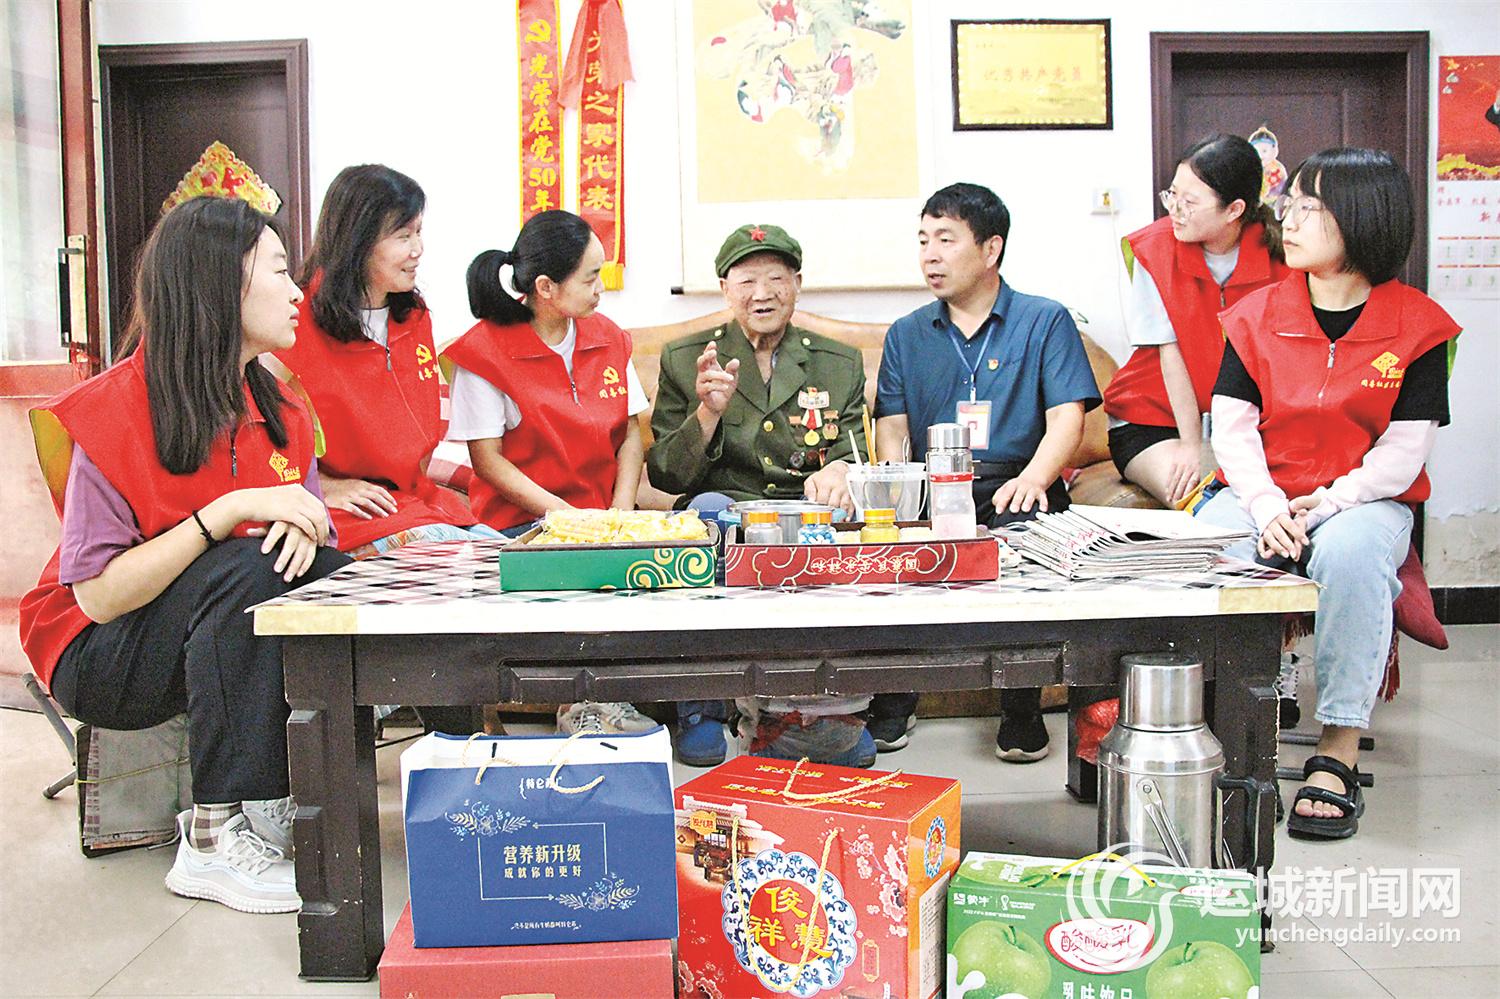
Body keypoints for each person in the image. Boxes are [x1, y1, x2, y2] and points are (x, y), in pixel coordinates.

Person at [19, 196, 350, 913]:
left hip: (209, 630)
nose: (298, 292)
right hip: (101, 653)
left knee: (321, 573)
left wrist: (308, 526)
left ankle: (279, 801)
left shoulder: (284, 409)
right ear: (220, 285)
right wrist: (226, 513)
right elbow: (97, 596)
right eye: (280, 271)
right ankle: (212, 834)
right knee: (248, 567)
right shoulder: (117, 407)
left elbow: (311, 519)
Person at [1197, 148, 1459, 840]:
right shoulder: (1254, 315)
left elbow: (1404, 452)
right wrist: (1266, 507)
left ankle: (1337, 748)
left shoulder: (1420, 326)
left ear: (1364, 217)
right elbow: (1233, 430)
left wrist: (1330, 502)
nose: (1288, 219)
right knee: (1210, 552)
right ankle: (1216, 727)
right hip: (1261, 491)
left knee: (1348, 552)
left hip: (1365, 500)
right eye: (1291, 203)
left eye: (1311, 207)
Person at [872, 183, 1100, 761]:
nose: (930, 255)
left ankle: (1020, 706)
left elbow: (1067, 417)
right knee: (892, 546)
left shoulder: (1043, 320)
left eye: (946, 240)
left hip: (1017, 481)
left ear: (991, 248)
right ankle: (895, 696)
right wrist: (897, 492)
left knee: (1023, 543)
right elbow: (892, 427)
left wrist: (1036, 478)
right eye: (923, 240)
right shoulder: (905, 333)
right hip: (932, 483)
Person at [648, 223, 869, 767]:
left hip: (806, 516)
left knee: (848, 527)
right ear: (726, 289)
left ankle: (823, 713)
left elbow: (856, 451)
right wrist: (707, 413)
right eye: (747, 281)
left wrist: (842, 469)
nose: (762, 293)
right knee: (704, 519)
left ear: (797, 284)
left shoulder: (838, 362)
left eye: (776, 278)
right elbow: (667, 474)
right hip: (722, 511)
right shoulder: (685, 358)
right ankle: (700, 707)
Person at [443, 209, 652, 738]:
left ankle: (623, 701)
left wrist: (620, 511)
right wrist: (569, 519)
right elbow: (487, 461)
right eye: (590, 278)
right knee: (578, 573)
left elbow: (630, 433)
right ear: (545, 287)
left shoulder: (608, 337)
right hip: (523, 524)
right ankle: (584, 706)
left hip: (604, 517)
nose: (601, 290)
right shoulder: (484, 352)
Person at [275, 164, 492, 558]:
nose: (418, 249)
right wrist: (325, 486)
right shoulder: (295, 321)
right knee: (479, 565)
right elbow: (259, 439)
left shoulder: (414, 316)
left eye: (419, 232)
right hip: (354, 515)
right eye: (403, 236)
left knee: (515, 558)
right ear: (357, 241)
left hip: (418, 503)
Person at [1103, 134, 1292, 507]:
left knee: (1272, 500)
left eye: (1189, 202)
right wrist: (1191, 445)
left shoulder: (1283, 256)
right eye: (1172, 195)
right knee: (1206, 502)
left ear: (1234, 210)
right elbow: (1169, 354)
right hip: (1154, 421)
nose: (1175, 210)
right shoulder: (1153, 249)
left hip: (1250, 426)